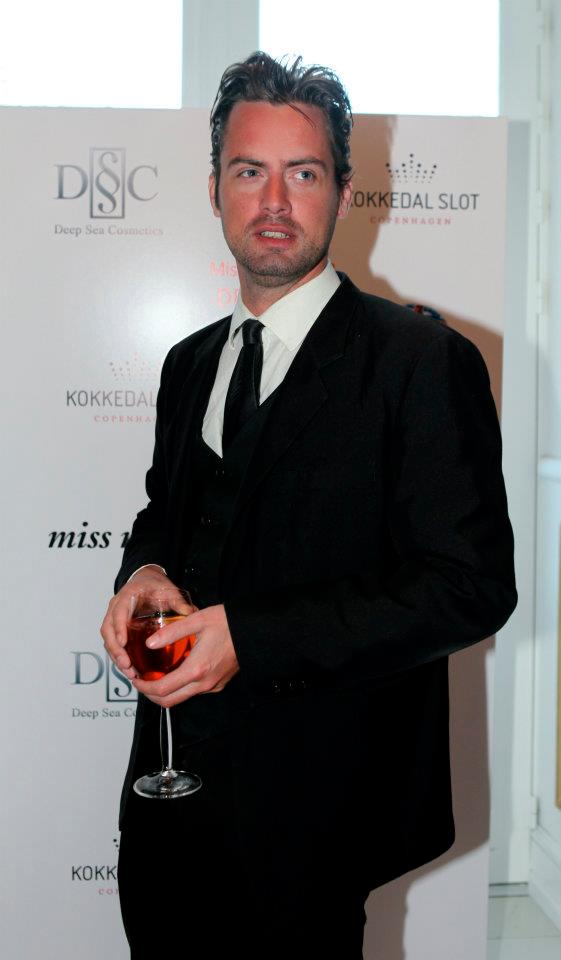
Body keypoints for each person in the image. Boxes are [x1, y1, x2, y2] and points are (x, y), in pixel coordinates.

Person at [101, 52, 516, 960]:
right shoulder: (188, 362)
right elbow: (165, 512)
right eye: (250, 171)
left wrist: (250, 636)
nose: (274, 201)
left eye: (304, 173)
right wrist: (145, 569)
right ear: (215, 188)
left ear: (343, 192)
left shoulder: (418, 362)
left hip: (315, 816)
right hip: (167, 796)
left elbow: (469, 586)